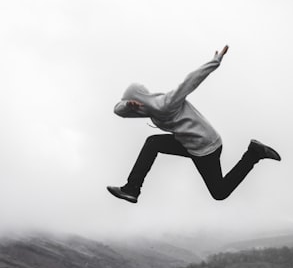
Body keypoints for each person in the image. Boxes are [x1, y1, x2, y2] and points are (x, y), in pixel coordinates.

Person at [107, 45, 280, 204]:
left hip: (206, 145)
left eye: (130, 102)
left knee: (219, 192)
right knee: (152, 143)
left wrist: (215, 61)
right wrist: (127, 105)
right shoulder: (148, 110)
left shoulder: (166, 102)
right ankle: (132, 189)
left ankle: (253, 153)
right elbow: (118, 111)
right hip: (189, 143)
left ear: (138, 99)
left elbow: (191, 80)